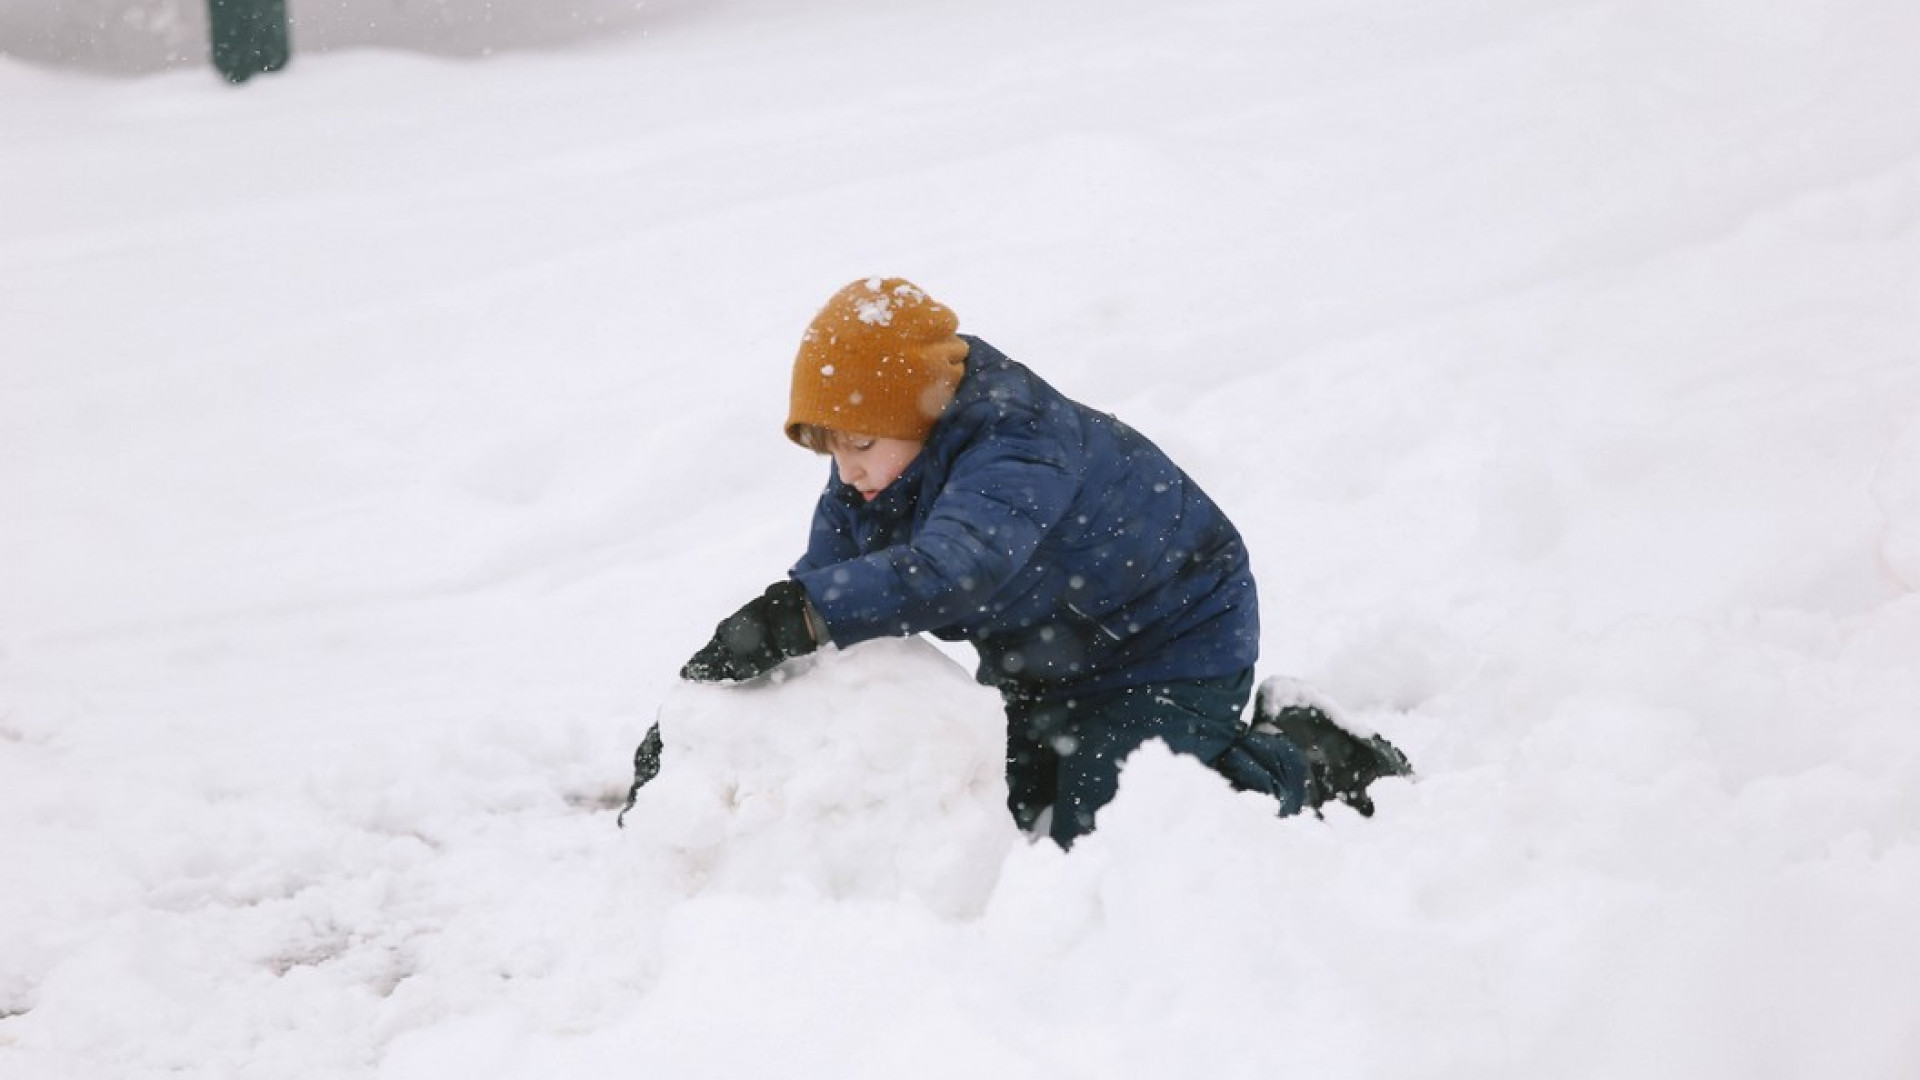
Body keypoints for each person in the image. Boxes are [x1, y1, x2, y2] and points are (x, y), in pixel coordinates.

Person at [678, 277, 1410, 848]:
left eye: (860, 444)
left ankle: (1301, 758)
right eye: (829, 447)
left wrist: (802, 616)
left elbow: (957, 567)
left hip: (1169, 645)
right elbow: (821, 594)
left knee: (1104, 838)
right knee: (997, 813)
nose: (845, 472)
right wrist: (702, 711)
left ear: (917, 415)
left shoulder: (1017, 440)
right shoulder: (876, 471)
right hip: (1045, 661)